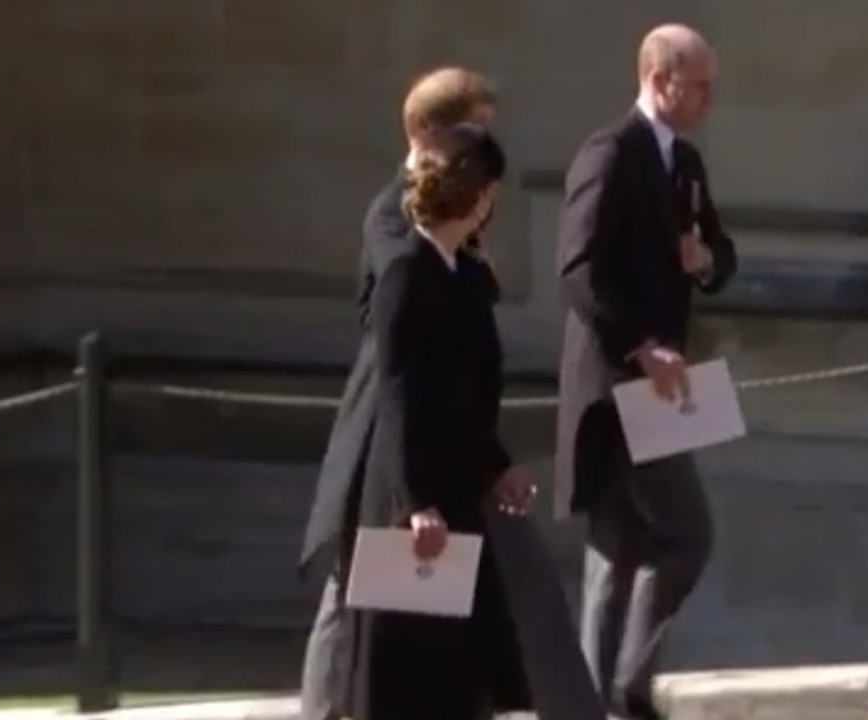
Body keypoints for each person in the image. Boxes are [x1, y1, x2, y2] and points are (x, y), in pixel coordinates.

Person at [297, 69, 523, 720]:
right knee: (355, 593)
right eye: (470, 131)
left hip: (439, 427)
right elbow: (396, 344)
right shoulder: (392, 216)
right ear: (428, 134)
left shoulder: (457, 247)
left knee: (416, 615)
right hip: (385, 429)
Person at [554, 23, 739, 720]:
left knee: (620, 546)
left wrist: (707, 264)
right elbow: (576, 270)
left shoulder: (684, 164)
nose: (707, 101)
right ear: (659, 81)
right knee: (685, 533)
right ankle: (626, 691)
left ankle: (588, 702)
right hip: (617, 383)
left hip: (662, 385)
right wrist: (638, 347)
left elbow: (720, 249)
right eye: (698, 87)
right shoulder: (608, 154)